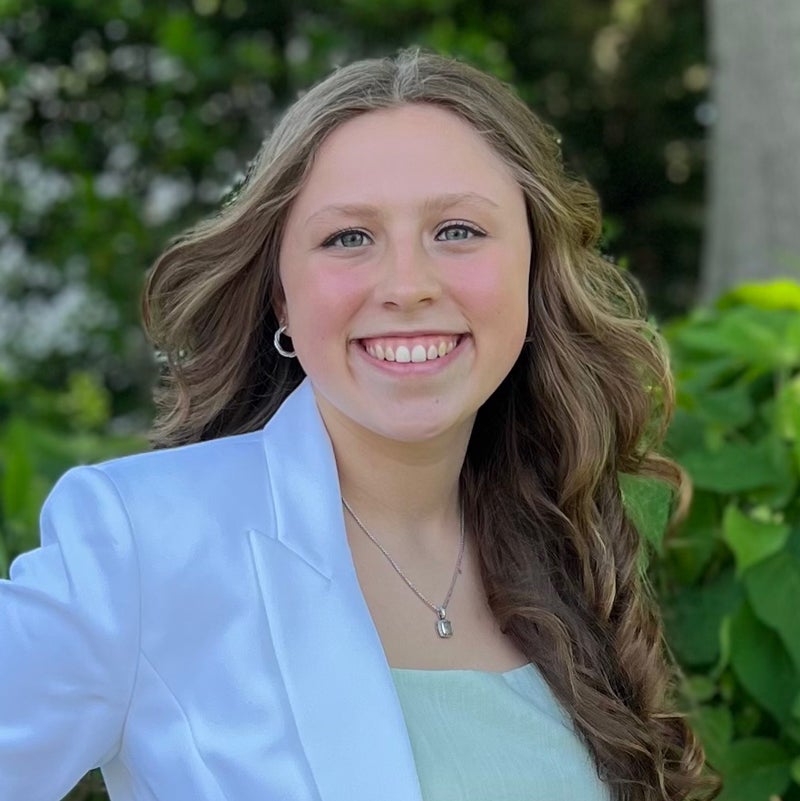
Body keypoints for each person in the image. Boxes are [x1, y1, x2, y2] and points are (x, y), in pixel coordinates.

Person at [0, 49, 714, 801]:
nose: (407, 285)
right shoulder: (144, 541)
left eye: (459, 229)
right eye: (349, 238)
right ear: (281, 295)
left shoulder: (574, 545)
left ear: (535, 271)